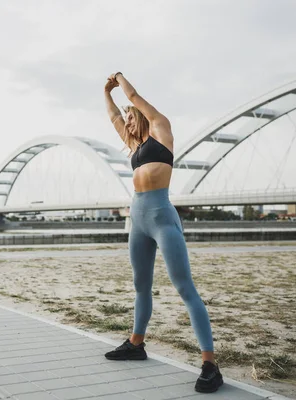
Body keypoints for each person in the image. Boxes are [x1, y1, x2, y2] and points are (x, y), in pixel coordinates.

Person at [102, 72, 223, 393]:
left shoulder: (161, 130)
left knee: (185, 289)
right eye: (126, 118)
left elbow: (136, 97)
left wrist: (120, 80)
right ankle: (136, 344)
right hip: (138, 219)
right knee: (141, 285)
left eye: (130, 116)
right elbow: (113, 116)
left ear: (141, 115)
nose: (126, 122)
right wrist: (106, 94)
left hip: (162, 218)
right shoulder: (135, 144)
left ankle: (210, 364)